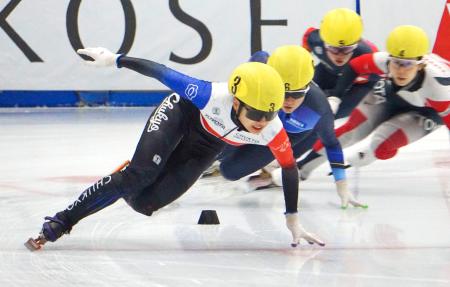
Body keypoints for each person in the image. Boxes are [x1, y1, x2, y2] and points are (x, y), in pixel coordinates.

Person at [25, 48, 325, 251]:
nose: (262, 123)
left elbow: (288, 168)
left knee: (145, 203)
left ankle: (126, 176)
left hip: (208, 144)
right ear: (236, 102)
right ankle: (62, 221)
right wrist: (113, 59)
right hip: (180, 114)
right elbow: (160, 72)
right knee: (140, 174)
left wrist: (292, 219)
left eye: (269, 116)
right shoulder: (209, 95)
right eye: (256, 114)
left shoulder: (273, 129)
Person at [217, 45, 366, 209]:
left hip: (290, 134)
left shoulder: (317, 107)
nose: (289, 101)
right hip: (262, 120)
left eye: (297, 94)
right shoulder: (260, 74)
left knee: (229, 172)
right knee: (216, 152)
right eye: (283, 93)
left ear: (307, 88)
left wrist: (342, 186)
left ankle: (269, 169)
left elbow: (331, 144)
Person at [297, 25, 450, 177]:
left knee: (381, 146)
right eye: (396, 62)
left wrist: (370, 153)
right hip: (391, 95)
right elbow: (354, 67)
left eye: (408, 64)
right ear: (389, 59)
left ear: (421, 65)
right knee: (350, 132)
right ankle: (301, 169)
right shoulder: (383, 60)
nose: (401, 70)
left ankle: (371, 152)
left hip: (428, 112)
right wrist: (335, 98)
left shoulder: (439, 90)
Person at [303, 7, 380, 118]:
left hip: (358, 82)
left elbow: (382, 76)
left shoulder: (369, 55)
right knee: (304, 97)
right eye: (333, 48)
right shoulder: (312, 38)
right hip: (327, 71)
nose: (340, 55)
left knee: (334, 113)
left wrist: (334, 95)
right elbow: (302, 57)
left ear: (357, 43)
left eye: (347, 49)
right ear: (324, 42)